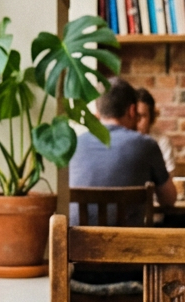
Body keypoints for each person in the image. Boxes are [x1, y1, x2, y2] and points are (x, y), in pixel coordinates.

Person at [69, 78, 177, 222]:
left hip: (78, 241)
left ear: (98, 112)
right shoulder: (147, 145)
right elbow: (169, 200)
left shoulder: (75, 143)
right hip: (128, 242)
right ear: (132, 111)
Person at [135, 87, 176, 174]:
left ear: (151, 118)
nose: (137, 120)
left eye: (142, 116)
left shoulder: (162, 141)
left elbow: (169, 175)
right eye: (134, 115)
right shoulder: (120, 139)